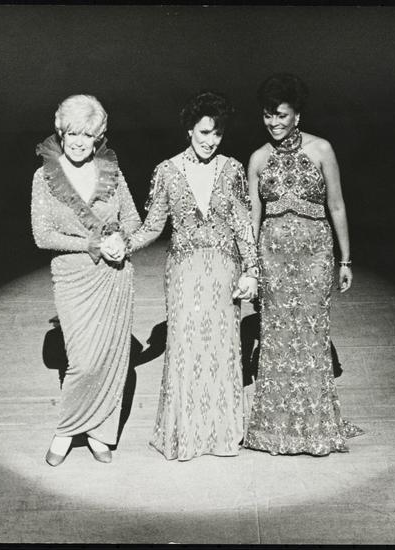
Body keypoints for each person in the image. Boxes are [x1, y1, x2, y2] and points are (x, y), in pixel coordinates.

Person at [128, 91, 258, 461]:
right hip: (184, 273)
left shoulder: (232, 169)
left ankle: (222, 436)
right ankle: (185, 436)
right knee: (185, 349)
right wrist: (123, 244)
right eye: (204, 132)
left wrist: (252, 271)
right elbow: (152, 226)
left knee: (222, 350)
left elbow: (242, 225)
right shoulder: (167, 171)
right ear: (189, 130)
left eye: (217, 134)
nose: (210, 141)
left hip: (223, 271)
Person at [243, 73, 363, 456]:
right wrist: (251, 267)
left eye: (281, 115)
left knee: (311, 335)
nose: (273, 123)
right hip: (272, 259)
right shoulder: (258, 159)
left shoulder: (322, 149)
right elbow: (252, 220)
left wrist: (345, 259)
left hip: (315, 256)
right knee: (276, 338)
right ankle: (275, 428)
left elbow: (337, 206)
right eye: (267, 115)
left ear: (297, 114)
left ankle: (316, 426)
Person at [31, 94, 141, 465]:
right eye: (73, 133)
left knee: (111, 359)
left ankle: (99, 433)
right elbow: (42, 235)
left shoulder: (111, 171)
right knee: (83, 360)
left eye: (87, 134)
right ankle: (66, 430)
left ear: (98, 136)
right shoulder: (44, 177)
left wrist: (121, 240)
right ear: (61, 133)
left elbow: (132, 220)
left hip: (114, 275)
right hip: (72, 276)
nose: (79, 141)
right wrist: (91, 243)